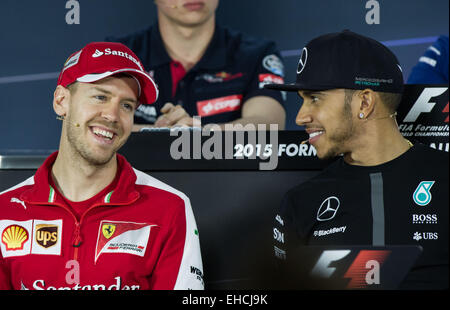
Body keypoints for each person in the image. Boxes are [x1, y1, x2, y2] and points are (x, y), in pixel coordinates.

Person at [0, 42, 204, 290]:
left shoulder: (170, 208)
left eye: (126, 105)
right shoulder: (4, 211)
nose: (112, 116)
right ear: (61, 101)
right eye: (100, 97)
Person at [265, 30, 448, 289]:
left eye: (315, 98)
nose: (300, 117)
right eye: (302, 100)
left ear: (364, 102)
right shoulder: (301, 203)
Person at [106, 0, 286, 131]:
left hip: (226, 180)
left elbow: (269, 124)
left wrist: (196, 133)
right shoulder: (116, 54)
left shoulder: (258, 53)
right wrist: (159, 134)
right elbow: (97, 122)